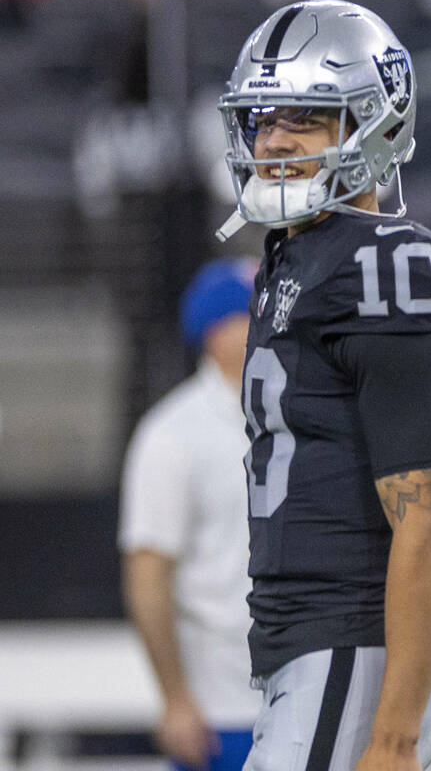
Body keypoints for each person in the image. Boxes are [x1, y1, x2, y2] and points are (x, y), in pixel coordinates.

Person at [215, 0, 431, 771]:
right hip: (312, 645)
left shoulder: (384, 264)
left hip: (354, 646)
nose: (275, 140)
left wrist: (393, 732)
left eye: (307, 118)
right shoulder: (298, 254)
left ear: (374, 125)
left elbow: (424, 521)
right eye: (264, 118)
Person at [120, 258, 261, 771]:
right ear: (216, 333)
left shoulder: (304, 414)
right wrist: (176, 698)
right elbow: (149, 573)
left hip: (308, 701)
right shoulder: (172, 434)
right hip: (220, 709)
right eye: (256, 315)